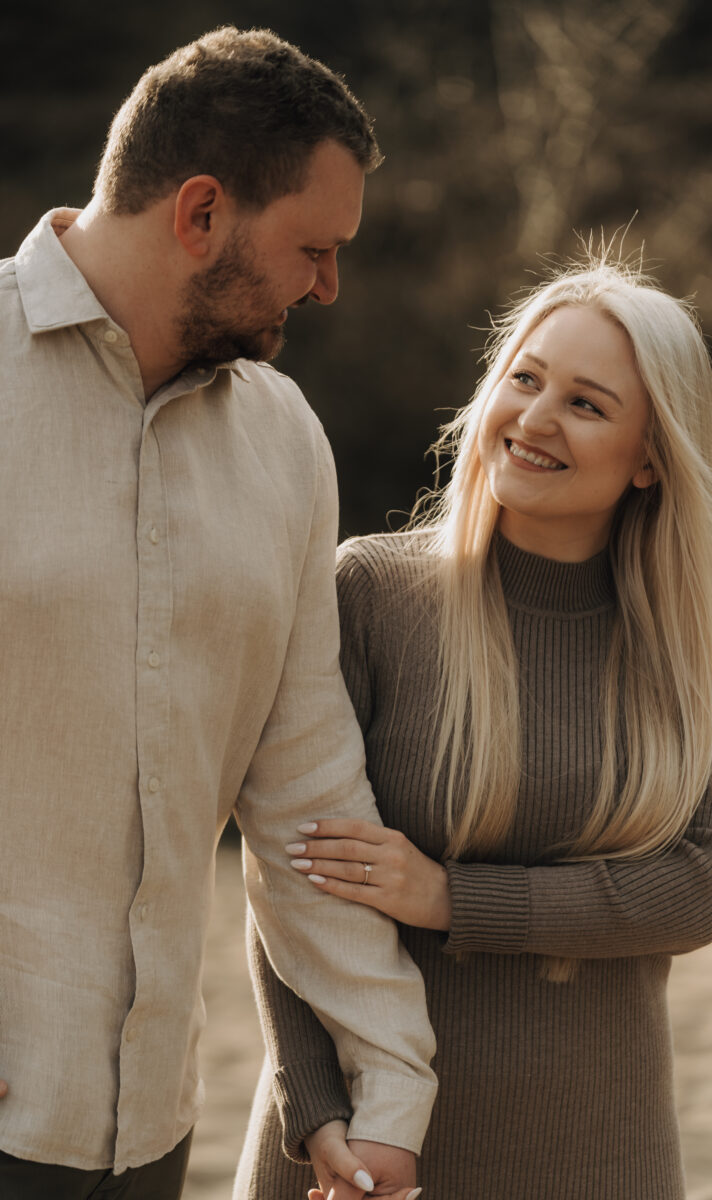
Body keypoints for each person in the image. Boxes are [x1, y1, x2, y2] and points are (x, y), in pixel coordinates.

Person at [238, 259, 712, 1199]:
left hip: (599, 1151)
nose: (534, 420)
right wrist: (319, 1112)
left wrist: (452, 899)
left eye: (586, 403)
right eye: (525, 379)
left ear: (652, 457)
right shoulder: (372, 592)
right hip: (359, 1151)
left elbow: (695, 891)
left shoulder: (710, 641)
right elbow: (292, 871)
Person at [0, 26, 435, 1200]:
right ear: (200, 215)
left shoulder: (284, 442)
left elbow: (305, 793)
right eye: (311, 247)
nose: (328, 285)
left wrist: (388, 1079)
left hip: (146, 1133)